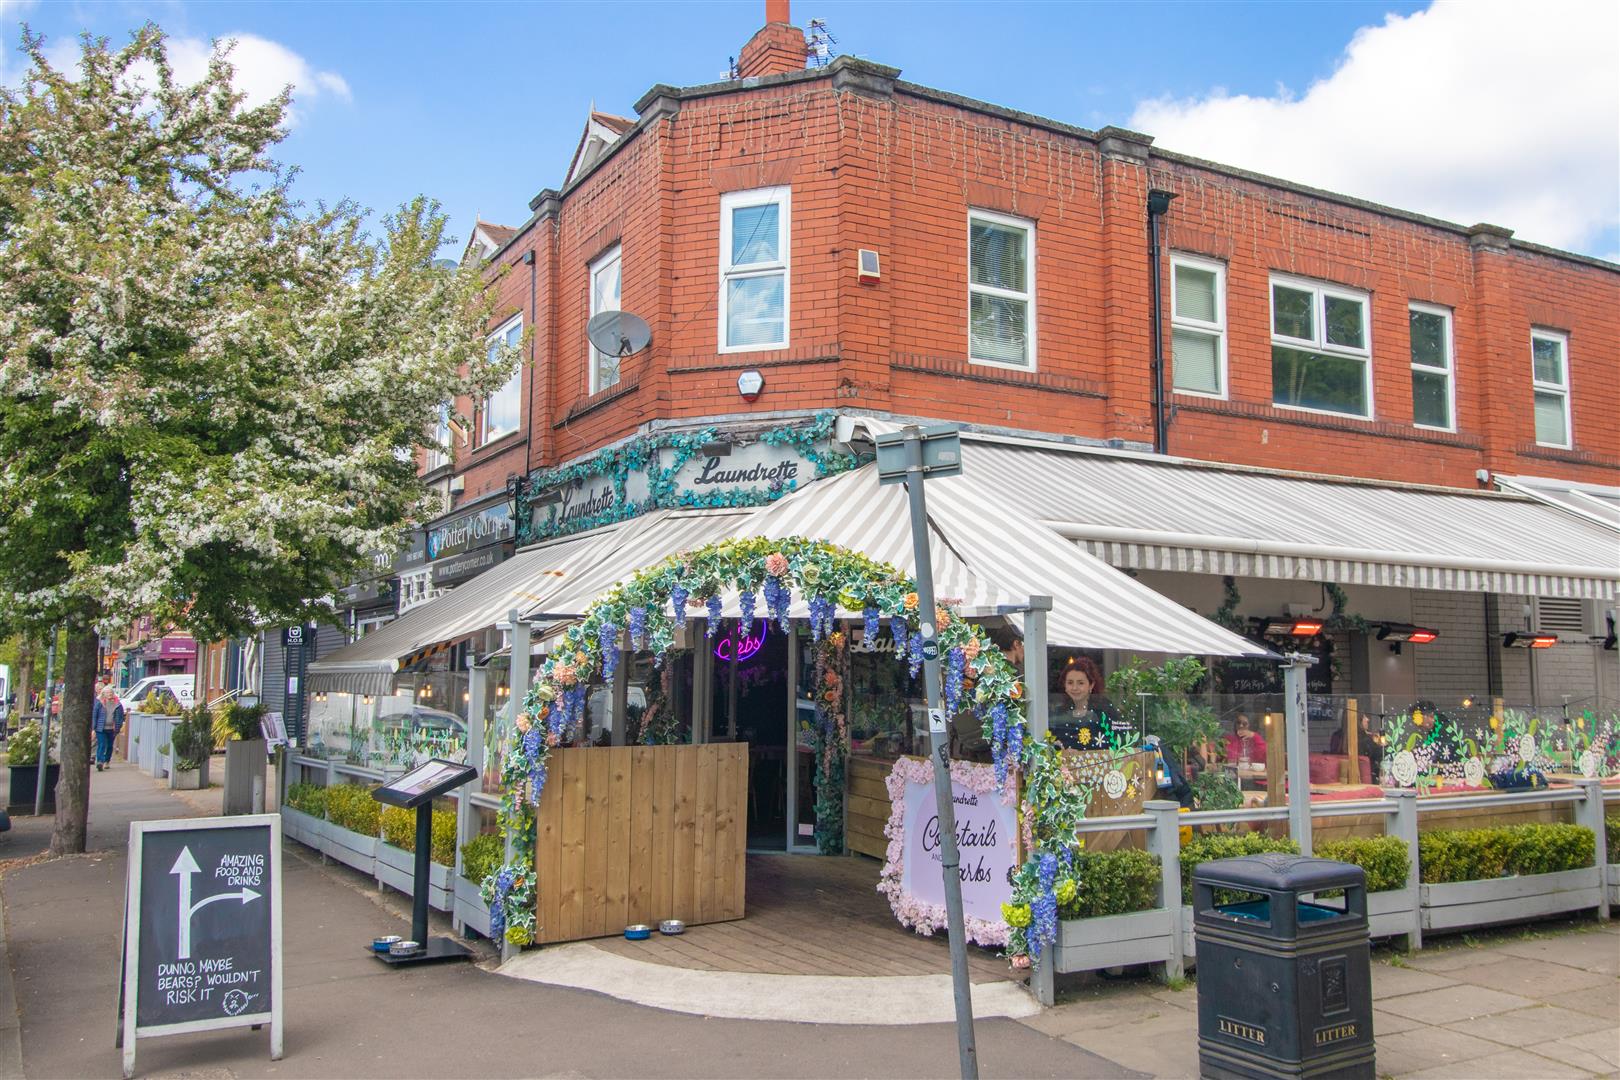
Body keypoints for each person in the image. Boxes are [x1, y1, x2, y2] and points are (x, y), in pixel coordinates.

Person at [1049, 657, 1118, 751]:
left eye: (1080, 683)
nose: (1074, 688)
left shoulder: (1104, 710)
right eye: (1070, 683)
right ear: (1065, 685)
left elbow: (1116, 742)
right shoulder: (1059, 714)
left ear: (1091, 685)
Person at [92, 685, 124, 771]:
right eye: (107, 692)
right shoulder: (99, 703)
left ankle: (107, 761)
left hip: (112, 729)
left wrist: (118, 726)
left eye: (111, 692)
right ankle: (100, 762)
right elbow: (95, 715)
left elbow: (120, 717)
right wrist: (94, 728)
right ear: (103, 694)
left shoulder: (118, 704)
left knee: (109, 745)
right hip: (101, 728)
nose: (109, 694)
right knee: (101, 744)